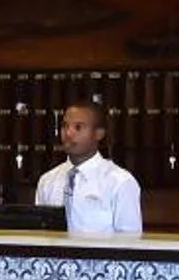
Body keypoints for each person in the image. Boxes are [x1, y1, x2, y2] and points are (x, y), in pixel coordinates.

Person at [34, 99, 142, 235]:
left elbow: (130, 243)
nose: (68, 134)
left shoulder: (120, 182)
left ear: (99, 133)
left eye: (78, 127)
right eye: (64, 126)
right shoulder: (47, 181)